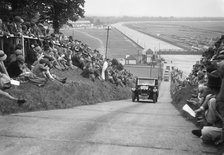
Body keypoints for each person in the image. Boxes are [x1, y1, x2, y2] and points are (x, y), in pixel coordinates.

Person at [192, 70, 223, 144]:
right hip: (218, 124)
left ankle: (209, 129)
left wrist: (222, 139)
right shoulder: (216, 95)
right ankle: (208, 128)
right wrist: (201, 108)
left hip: (221, 127)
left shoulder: (218, 100)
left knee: (205, 133)